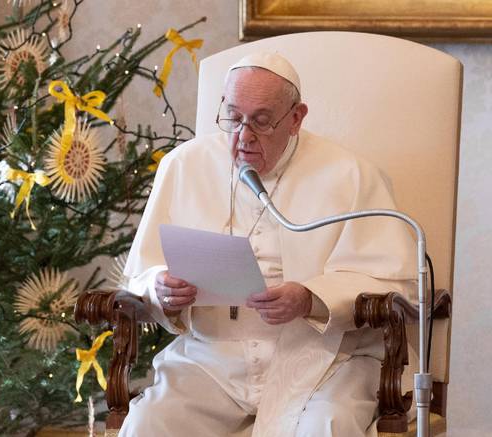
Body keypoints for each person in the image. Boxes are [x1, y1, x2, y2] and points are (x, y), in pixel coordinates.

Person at [120, 52, 417, 437]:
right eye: (233, 117)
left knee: (325, 426)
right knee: (149, 425)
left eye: (261, 121)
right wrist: (160, 286)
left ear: (296, 118)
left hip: (324, 359)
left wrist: (311, 298)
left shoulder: (351, 174)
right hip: (212, 358)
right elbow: (139, 276)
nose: (243, 136)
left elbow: (398, 285)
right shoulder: (183, 165)